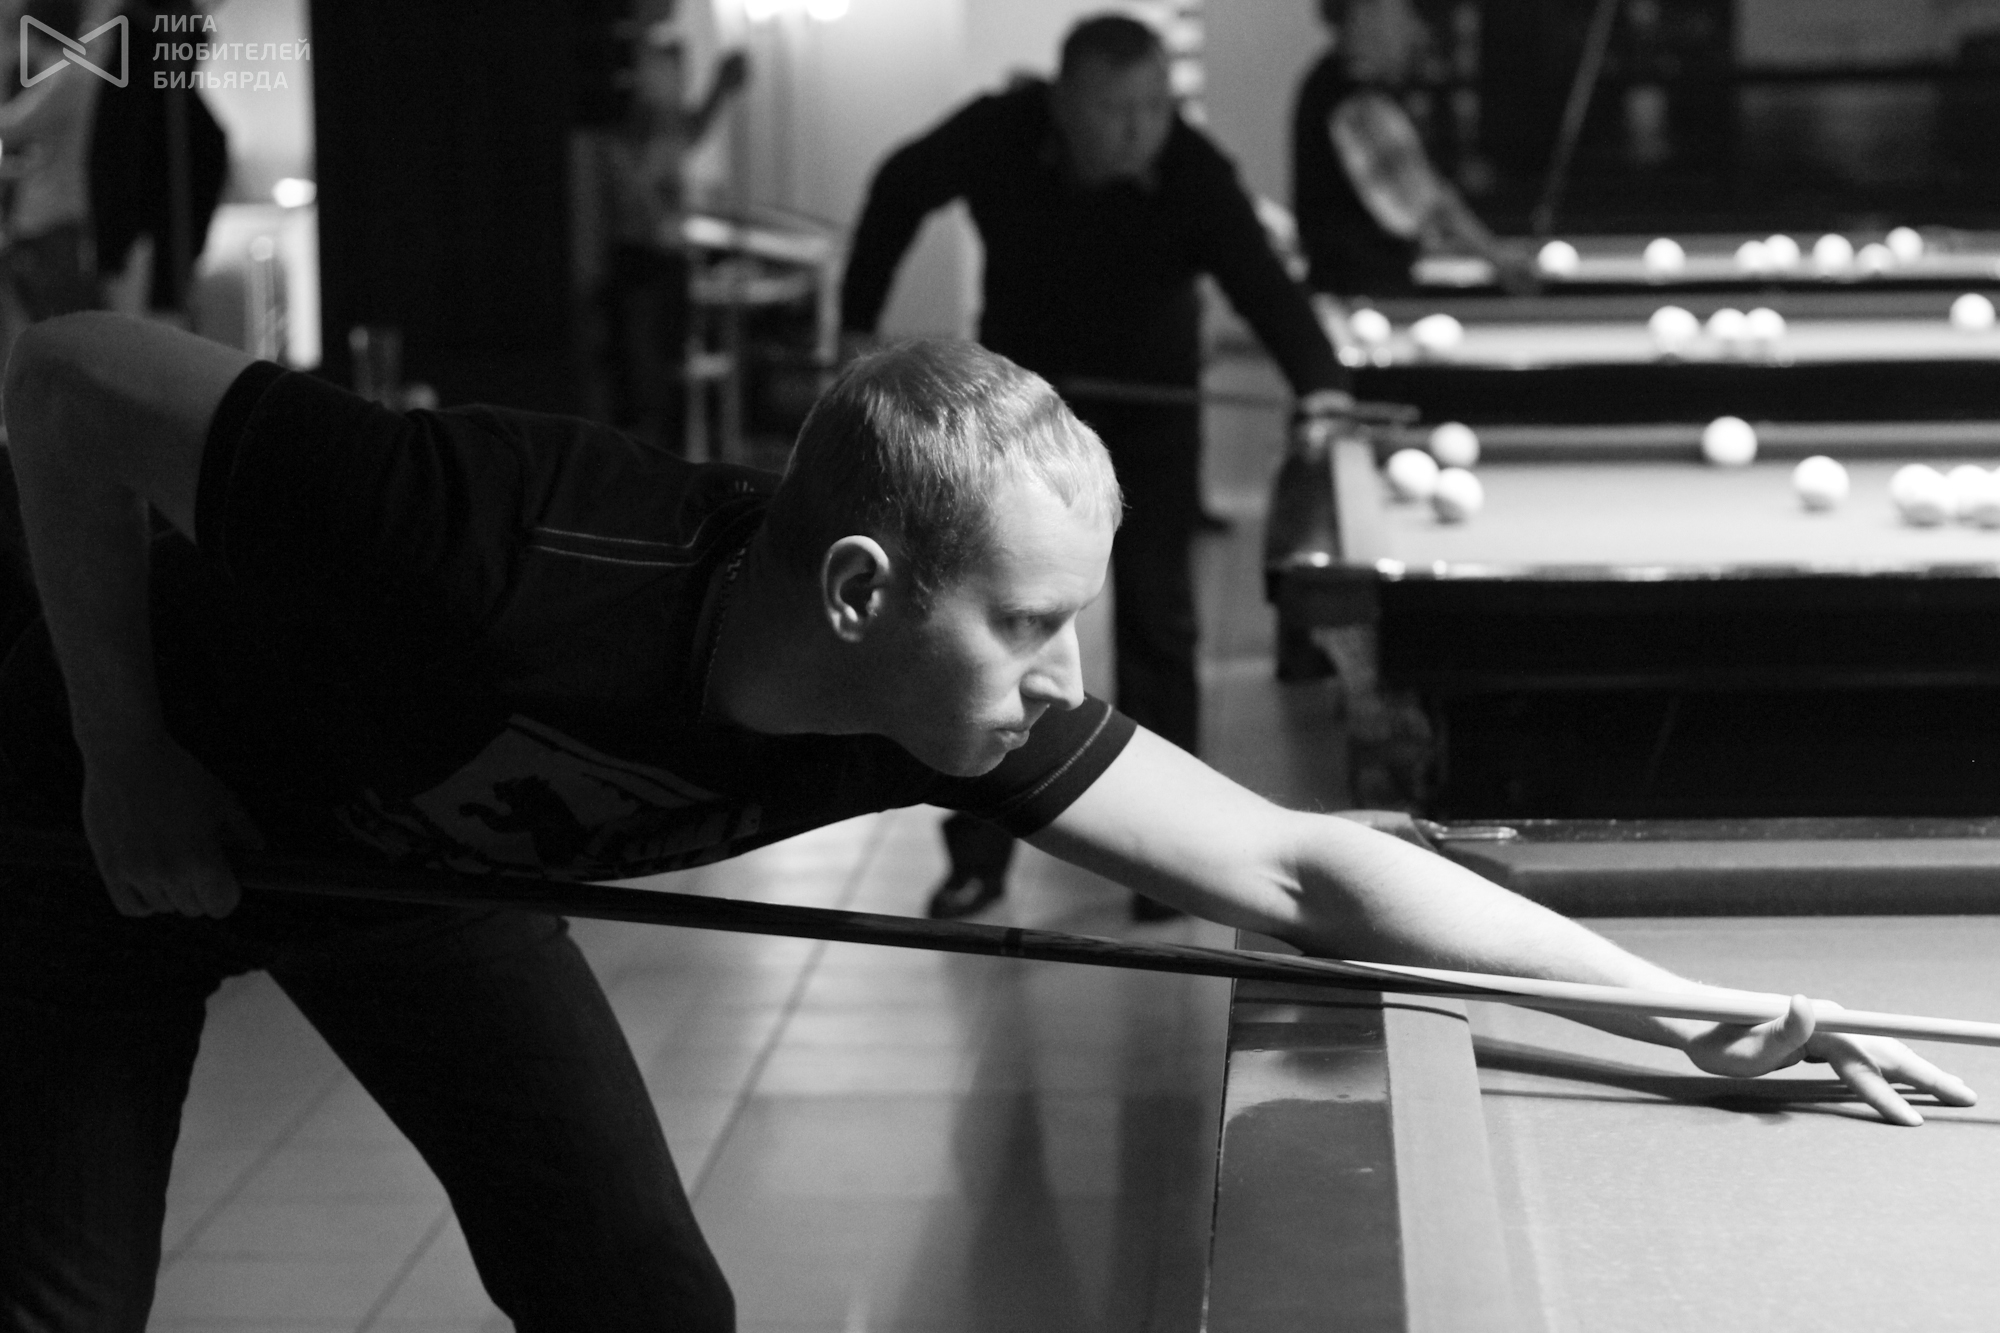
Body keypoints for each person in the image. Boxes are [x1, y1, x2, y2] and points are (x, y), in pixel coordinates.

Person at [0, 318, 1972, 1332]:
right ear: (863, 591)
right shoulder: (483, 537)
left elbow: (1304, 863)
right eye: (1030, 621)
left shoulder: (944, 710)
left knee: (643, 1306)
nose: (1062, 673)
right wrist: (122, 751)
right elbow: (68, 379)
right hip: (86, 832)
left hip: (415, 876)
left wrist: (1687, 1011)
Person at [841, 13, 1354, 920]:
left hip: (1152, 417)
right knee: (993, 630)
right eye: (1117, 109)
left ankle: (1167, 862)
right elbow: (898, 186)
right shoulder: (1002, 130)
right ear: (1064, 101)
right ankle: (978, 854)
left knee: (1161, 625)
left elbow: (1262, 283)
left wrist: (1319, 382)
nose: (1141, 128)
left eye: (1156, 105)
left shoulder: (1191, 168)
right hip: (1016, 424)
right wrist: (857, 320)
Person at [1292, 0, 1532, 297]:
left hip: (1358, 293)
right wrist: (1498, 257)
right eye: (1403, 12)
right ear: (1367, 13)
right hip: (1363, 296)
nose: (1415, 30)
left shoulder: (1337, 86)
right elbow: (1425, 201)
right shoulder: (1353, 99)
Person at [590, 25, 748, 452]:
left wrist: (720, 88)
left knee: (671, 365)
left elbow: (689, 130)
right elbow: (631, 166)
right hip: (640, 254)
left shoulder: (664, 117)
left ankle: (665, 453)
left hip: (666, 254)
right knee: (642, 369)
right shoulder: (623, 123)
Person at [0, 0, 108, 327]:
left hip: (51, 218)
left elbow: (12, 125)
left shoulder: (66, 76)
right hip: (52, 216)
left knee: (57, 329)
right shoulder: (69, 74)